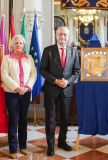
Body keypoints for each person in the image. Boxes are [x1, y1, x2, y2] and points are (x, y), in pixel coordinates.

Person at [40, 26, 80, 156]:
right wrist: (55, 81)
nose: (62, 37)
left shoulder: (74, 52)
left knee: (64, 118)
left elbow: (76, 71)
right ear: (56, 35)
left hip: (66, 90)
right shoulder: (48, 50)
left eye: (65, 35)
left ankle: (62, 141)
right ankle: (50, 145)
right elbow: (42, 70)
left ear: (68, 37)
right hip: (51, 89)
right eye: (60, 34)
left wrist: (68, 81)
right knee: (50, 119)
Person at [1, 35, 37, 159]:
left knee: (23, 120)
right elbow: (4, 75)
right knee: (13, 120)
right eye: (16, 43)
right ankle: (13, 148)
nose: (19, 45)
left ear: (24, 46)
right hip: (12, 93)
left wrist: (27, 87)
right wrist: (17, 87)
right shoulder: (7, 59)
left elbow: (33, 74)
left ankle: (23, 146)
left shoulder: (29, 58)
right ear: (12, 46)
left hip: (26, 93)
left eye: (21, 43)